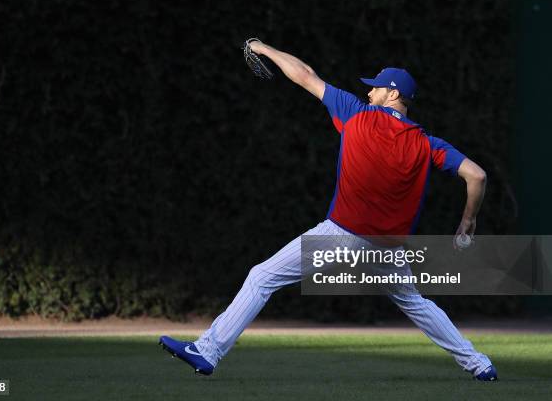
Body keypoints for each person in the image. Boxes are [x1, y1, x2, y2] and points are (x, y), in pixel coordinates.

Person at [159, 40, 497, 381]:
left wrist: (264, 48)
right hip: (389, 247)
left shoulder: (356, 113)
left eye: (376, 88)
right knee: (416, 303)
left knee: (262, 277)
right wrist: (467, 223)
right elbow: (477, 175)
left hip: (343, 235)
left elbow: (305, 75)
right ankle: (479, 363)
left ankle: (207, 351)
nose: (369, 92)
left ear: (393, 94)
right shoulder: (426, 143)